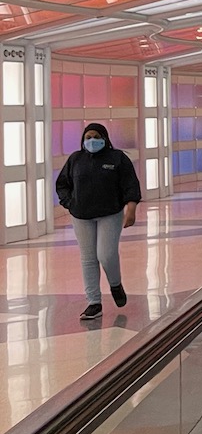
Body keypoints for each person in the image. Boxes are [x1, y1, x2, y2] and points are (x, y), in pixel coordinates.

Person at [56, 123, 141, 320]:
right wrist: (70, 203)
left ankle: (115, 284)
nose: (91, 141)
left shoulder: (117, 158)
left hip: (109, 213)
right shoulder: (76, 159)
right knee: (88, 258)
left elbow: (130, 184)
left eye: (96, 136)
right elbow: (62, 184)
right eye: (88, 137)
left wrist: (131, 208)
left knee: (106, 254)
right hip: (81, 216)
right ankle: (94, 302)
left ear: (104, 138)